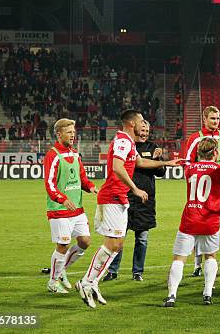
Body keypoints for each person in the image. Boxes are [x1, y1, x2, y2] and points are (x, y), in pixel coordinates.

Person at [76, 110, 181, 309]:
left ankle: (93, 282)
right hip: (113, 197)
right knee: (111, 244)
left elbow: (140, 162)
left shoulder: (129, 142)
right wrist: (135, 188)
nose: (144, 124)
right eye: (141, 120)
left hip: (120, 198)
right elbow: (117, 166)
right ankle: (87, 282)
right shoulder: (123, 141)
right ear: (132, 123)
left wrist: (166, 162)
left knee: (117, 245)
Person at [164, 138, 220, 307]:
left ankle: (172, 295)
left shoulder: (189, 169)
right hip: (210, 220)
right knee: (210, 256)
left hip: (190, 219)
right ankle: (208, 293)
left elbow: (189, 167)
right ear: (215, 153)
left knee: (179, 259)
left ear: (199, 153)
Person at [104, 121, 165, 281]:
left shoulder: (153, 147)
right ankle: (112, 270)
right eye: (142, 129)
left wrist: (160, 159)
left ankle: (137, 272)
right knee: (119, 236)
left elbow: (161, 173)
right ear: (136, 129)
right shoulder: (127, 145)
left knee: (142, 238)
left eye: (147, 130)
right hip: (126, 197)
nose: (144, 133)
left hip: (145, 200)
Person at [44, 118, 98, 294]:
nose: (73, 135)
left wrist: (90, 186)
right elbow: (50, 184)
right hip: (60, 210)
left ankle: (61, 271)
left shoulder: (74, 153)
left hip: (77, 209)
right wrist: (62, 199)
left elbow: (82, 177)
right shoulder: (52, 155)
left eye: (74, 132)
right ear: (59, 134)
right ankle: (53, 282)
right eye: (69, 132)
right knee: (63, 245)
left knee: (85, 241)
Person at [183, 106, 220, 276]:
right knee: (200, 225)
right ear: (204, 119)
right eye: (212, 118)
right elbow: (186, 162)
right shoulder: (195, 138)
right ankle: (197, 265)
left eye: (218, 118)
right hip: (204, 190)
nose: (215, 121)